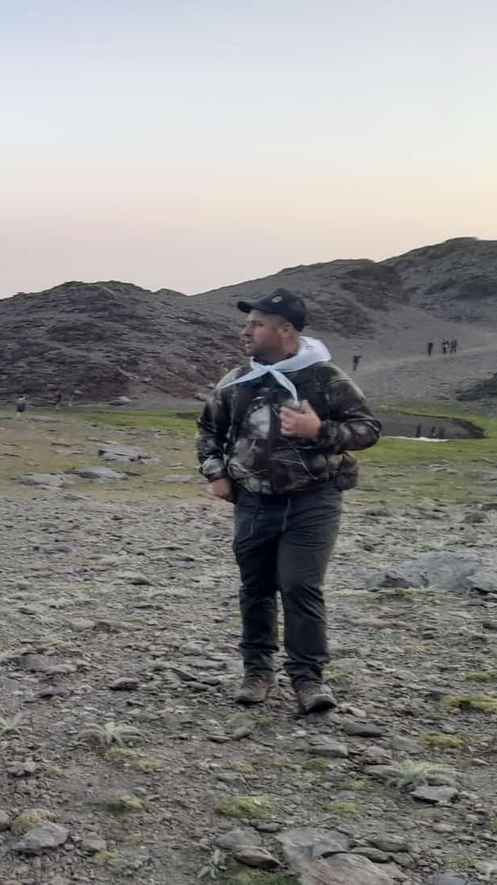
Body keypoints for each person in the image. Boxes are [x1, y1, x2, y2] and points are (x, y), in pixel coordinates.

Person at [197, 289, 381, 715]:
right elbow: (208, 429)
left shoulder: (325, 378)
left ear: (286, 330)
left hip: (313, 501)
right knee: (256, 587)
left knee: (300, 586)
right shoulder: (237, 380)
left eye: (256, 323)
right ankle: (257, 673)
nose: (246, 331)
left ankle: (308, 680)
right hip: (253, 501)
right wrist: (217, 473)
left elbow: (369, 429)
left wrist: (320, 429)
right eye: (248, 323)